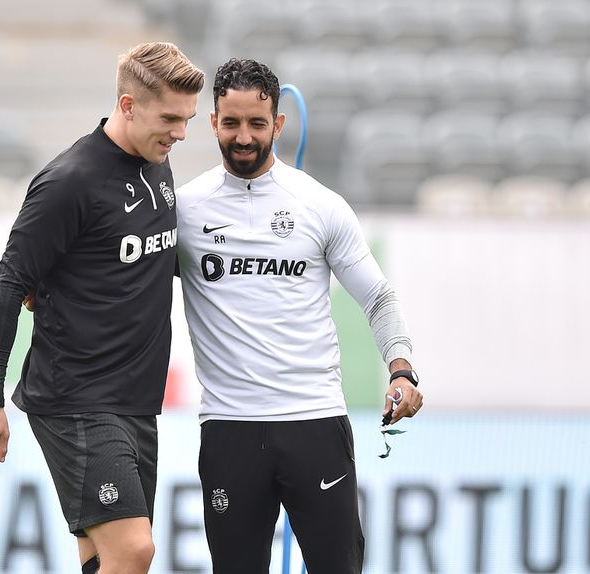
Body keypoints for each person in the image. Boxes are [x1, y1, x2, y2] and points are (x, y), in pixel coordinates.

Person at [175, 58, 424, 573]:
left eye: (257, 123)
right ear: (213, 122)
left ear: (279, 124)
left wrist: (401, 369)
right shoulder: (184, 208)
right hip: (229, 428)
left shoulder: (320, 205)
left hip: (314, 423)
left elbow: (378, 298)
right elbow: (120, 273)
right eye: (231, 123)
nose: (244, 137)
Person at [0, 41, 204, 574]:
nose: (181, 133)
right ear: (127, 106)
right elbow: (8, 284)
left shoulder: (157, 165)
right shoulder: (69, 181)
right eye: (170, 118)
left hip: (135, 400)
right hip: (76, 397)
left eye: (187, 120)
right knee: (135, 549)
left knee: (103, 558)